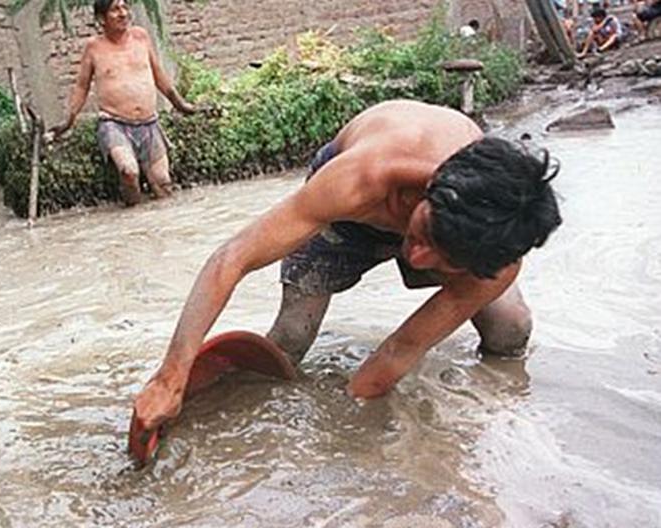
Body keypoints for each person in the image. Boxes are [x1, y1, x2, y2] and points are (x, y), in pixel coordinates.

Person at [133, 100, 562, 433]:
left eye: (444, 260)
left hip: (457, 228)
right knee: (290, 339)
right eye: (423, 237)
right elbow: (232, 258)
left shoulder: (495, 258)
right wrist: (171, 376)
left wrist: (354, 438)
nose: (417, 259)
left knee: (511, 330)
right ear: (431, 188)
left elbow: (399, 351)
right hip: (352, 212)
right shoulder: (360, 178)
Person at [47, 0, 199, 206]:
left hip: (149, 123)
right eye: (115, 9)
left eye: (125, 7)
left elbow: (159, 76)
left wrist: (181, 104)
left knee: (163, 183)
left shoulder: (141, 37)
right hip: (114, 124)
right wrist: (68, 120)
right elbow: (81, 87)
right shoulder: (94, 47)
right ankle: (134, 214)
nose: (122, 13)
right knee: (128, 172)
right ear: (101, 18)